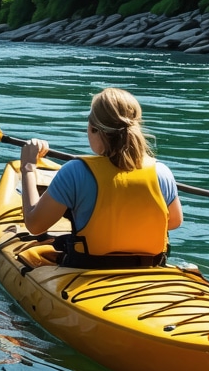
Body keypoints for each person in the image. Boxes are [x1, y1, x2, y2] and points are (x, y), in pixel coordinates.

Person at [19, 87, 183, 267]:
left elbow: (34, 225)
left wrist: (28, 167)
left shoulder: (75, 172)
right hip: (148, 267)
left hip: (88, 268)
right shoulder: (161, 172)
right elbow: (174, 222)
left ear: (95, 129)